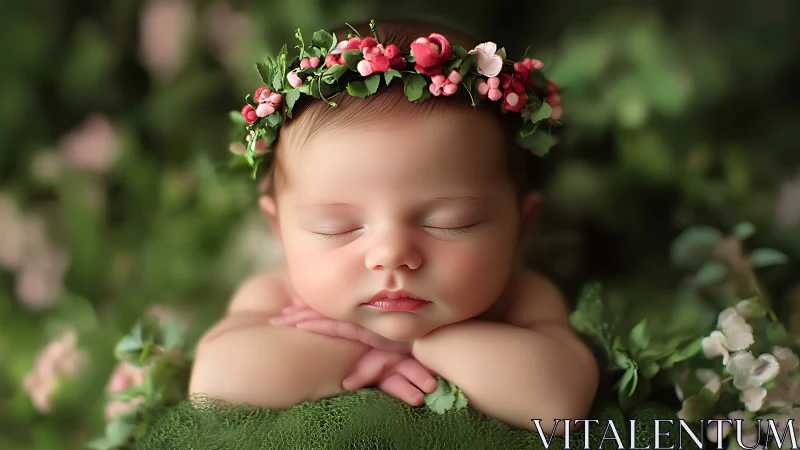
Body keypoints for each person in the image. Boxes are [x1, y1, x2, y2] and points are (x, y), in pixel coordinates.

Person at [188, 19, 598, 433]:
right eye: (338, 227)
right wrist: (363, 348)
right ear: (281, 232)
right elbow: (217, 383)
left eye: (450, 223)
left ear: (520, 230)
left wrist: (414, 345)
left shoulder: (519, 297)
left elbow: (556, 403)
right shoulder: (278, 294)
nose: (391, 254)